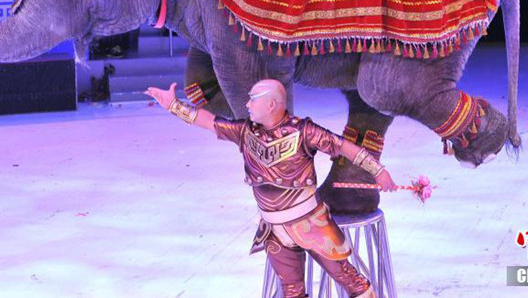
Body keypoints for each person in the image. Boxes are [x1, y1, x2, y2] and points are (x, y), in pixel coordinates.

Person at [145, 79, 392, 298]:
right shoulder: (245, 132)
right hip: (273, 228)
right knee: (292, 291)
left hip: (312, 224)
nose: (248, 105)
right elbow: (210, 121)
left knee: (349, 279)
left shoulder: (303, 131)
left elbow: (342, 146)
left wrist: (378, 171)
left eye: (253, 99)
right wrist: (173, 106)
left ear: (271, 104)